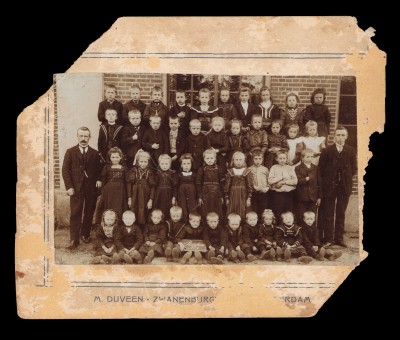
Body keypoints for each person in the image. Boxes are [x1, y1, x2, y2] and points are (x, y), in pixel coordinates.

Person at [62, 127, 102, 250]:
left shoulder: (95, 153)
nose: (83, 139)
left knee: (89, 212)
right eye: (81, 136)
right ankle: (74, 239)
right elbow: (65, 170)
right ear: (77, 136)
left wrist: (99, 180)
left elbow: (100, 170)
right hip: (76, 188)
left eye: (86, 136)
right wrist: (69, 187)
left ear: (89, 137)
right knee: (75, 213)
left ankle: (85, 234)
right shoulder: (70, 152)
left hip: (91, 188)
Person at [318, 126, 357, 248]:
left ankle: (339, 238)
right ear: (334, 137)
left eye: (342, 135)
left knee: (341, 212)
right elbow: (321, 170)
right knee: (328, 212)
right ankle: (329, 239)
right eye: (338, 135)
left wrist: (345, 179)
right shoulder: (327, 151)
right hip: (329, 187)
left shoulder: (350, 150)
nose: (340, 138)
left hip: (344, 187)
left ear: (346, 136)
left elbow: (353, 168)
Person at [127, 151, 156, 227]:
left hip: (145, 194)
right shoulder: (134, 170)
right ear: (137, 161)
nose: (143, 164)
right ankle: (134, 227)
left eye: (145, 162)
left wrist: (151, 199)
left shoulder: (150, 172)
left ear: (148, 162)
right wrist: (129, 198)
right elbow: (129, 184)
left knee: (143, 210)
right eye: (141, 161)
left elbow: (153, 186)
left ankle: (143, 228)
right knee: (134, 209)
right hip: (135, 194)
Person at [268, 151, 298, 221]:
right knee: (278, 211)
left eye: (284, 158)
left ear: (286, 159)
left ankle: (288, 228)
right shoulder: (274, 167)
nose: (282, 160)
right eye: (280, 158)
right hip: (278, 193)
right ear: (276, 159)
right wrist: (280, 178)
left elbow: (295, 181)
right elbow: (270, 181)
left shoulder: (290, 168)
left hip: (289, 193)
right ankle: (279, 228)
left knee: (288, 211)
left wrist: (283, 182)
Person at [100, 147, 128, 219]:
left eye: (117, 157)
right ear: (110, 157)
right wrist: (103, 192)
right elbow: (103, 181)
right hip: (109, 191)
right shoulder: (106, 167)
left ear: (121, 157)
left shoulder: (124, 168)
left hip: (121, 191)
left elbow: (127, 181)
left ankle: (119, 225)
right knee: (109, 206)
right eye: (113, 157)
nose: (115, 159)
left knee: (119, 207)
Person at [196, 148, 224, 220]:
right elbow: (198, 183)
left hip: (216, 193)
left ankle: (217, 225)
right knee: (206, 209)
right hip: (206, 192)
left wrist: (221, 196)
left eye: (211, 158)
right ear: (204, 159)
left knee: (217, 209)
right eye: (207, 158)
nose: (209, 160)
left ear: (215, 158)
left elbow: (222, 183)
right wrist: (200, 196)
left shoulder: (219, 169)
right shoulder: (202, 169)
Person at [224, 151, 252, 220]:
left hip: (243, 194)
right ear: (233, 161)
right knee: (232, 209)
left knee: (242, 209)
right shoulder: (230, 171)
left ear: (244, 161)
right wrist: (227, 197)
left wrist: (249, 198)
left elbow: (249, 185)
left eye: (240, 160)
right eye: (236, 160)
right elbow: (227, 186)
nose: (238, 162)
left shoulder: (247, 171)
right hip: (232, 195)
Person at [295, 149, 322, 219]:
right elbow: (297, 181)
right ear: (302, 158)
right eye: (307, 157)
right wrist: (305, 179)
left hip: (313, 197)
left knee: (312, 216)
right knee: (301, 216)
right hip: (302, 196)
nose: (310, 159)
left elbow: (319, 182)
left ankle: (311, 229)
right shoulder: (298, 168)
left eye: (311, 157)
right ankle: (302, 230)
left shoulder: (316, 168)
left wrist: (319, 197)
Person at [153, 154, 178, 218]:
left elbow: (175, 186)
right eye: (162, 164)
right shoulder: (157, 173)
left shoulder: (172, 173)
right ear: (159, 164)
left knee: (168, 209)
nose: (164, 166)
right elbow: (154, 186)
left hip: (169, 193)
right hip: (159, 194)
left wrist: (174, 197)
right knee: (159, 208)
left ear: (170, 164)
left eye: (166, 164)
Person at [248, 150, 270, 218]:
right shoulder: (249, 169)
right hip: (254, 193)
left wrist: (267, 187)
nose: (258, 161)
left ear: (262, 159)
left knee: (263, 210)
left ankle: (262, 225)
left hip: (264, 193)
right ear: (252, 159)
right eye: (256, 159)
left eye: (260, 159)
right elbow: (248, 181)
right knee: (254, 210)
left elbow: (269, 180)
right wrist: (253, 186)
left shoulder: (265, 169)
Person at [177, 154, 198, 223]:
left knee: (192, 207)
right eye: (184, 164)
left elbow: (197, 185)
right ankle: (184, 223)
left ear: (191, 164)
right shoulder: (179, 175)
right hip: (181, 194)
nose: (186, 165)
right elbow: (176, 186)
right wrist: (174, 197)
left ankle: (193, 223)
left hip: (192, 194)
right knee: (183, 208)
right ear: (181, 165)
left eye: (188, 163)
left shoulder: (194, 174)